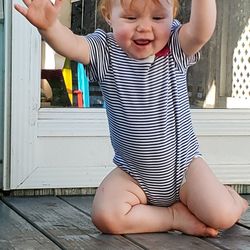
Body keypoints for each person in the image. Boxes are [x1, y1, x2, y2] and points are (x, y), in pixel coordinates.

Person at [15, 0, 248, 237]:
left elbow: (201, 31)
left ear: (173, 15)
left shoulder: (175, 46)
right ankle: (173, 217)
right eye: (130, 18)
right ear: (109, 15)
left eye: (157, 18)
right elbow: (72, 44)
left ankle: (233, 199)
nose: (144, 27)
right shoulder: (104, 50)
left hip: (184, 169)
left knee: (222, 215)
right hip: (132, 174)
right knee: (106, 216)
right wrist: (49, 27)